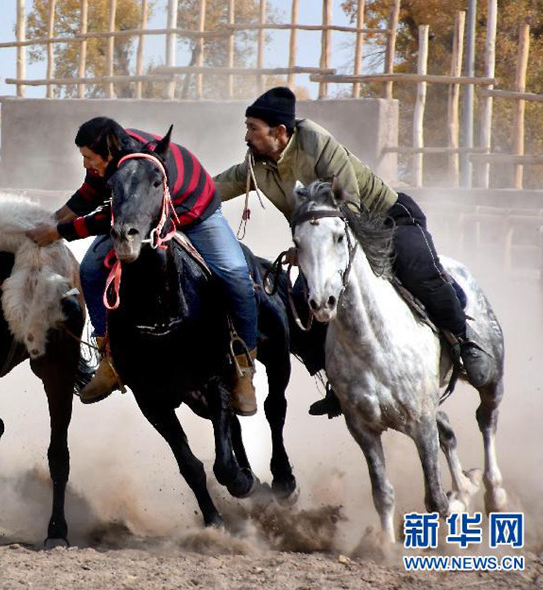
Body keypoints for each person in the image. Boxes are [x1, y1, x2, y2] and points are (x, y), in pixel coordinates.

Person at [213, 87, 494, 418]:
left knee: (420, 273)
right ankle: (339, 383)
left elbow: (349, 204)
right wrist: (170, 187)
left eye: (252, 128)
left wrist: (310, 249)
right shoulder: (256, 165)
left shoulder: (317, 143)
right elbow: (212, 188)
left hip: (387, 220)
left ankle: (465, 343)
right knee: (304, 299)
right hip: (328, 241)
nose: (246, 136)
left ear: (279, 131)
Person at [26, 117, 260, 416]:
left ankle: (244, 371)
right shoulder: (110, 157)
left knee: (235, 275)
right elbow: (88, 195)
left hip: (195, 212)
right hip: (141, 217)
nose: (85, 164)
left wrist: (59, 232)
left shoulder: (141, 165)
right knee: (91, 270)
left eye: (88, 157)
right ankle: (109, 359)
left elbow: (111, 215)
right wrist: (53, 219)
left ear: (109, 153)